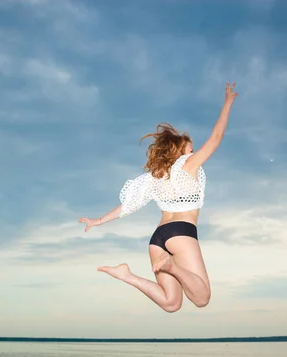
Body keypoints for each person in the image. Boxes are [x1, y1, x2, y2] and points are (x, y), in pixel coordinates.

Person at [79, 82, 238, 312]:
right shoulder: (187, 166)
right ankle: (172, 266)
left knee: (171, 303)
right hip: (181, 232)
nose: (193, 154)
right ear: (181, 153)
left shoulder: (156, 176)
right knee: (202, 298)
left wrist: (99, 221)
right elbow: (216, 138)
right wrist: (228, 102)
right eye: (190, 150)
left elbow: (127, 205)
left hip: (158, 240)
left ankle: (127, 275)